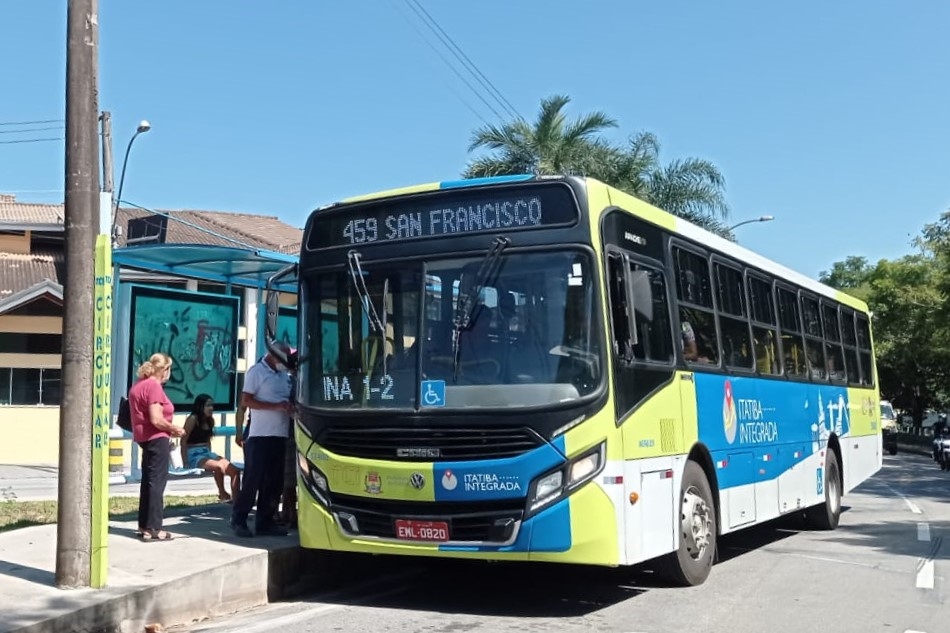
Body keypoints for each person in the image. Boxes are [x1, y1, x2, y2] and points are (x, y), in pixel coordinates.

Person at [230, 343, 295, 538]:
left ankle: (265, 521)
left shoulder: (285, 376)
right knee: (253, 479)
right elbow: (246, 401)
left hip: (280, 433)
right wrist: (275, 407)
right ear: (274, 356)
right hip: (259, 435)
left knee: (274, 481)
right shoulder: (256, 372)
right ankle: (239, 518)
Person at [129, 352, 185, 542]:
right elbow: (157, 419)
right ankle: (154, 528)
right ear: (165, 370)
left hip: (144, 438)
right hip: (157, 437)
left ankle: (144, 525)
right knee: (157, 483)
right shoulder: (154, 387)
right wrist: (174, 429)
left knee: (148, 481)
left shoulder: (138, 385)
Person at [181, 394, 241, 502]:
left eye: (212, 405)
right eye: (208, 405)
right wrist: (185, 461)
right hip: (193, 453)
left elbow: (207, 440)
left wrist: (211, 454)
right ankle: (222, 493)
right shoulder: (193, 419)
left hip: (206, 452)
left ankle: (237, 500)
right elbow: (183, 441)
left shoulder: (210, 420)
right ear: (200, 406)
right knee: (218, 467)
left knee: (234, 470)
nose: (211, 408)